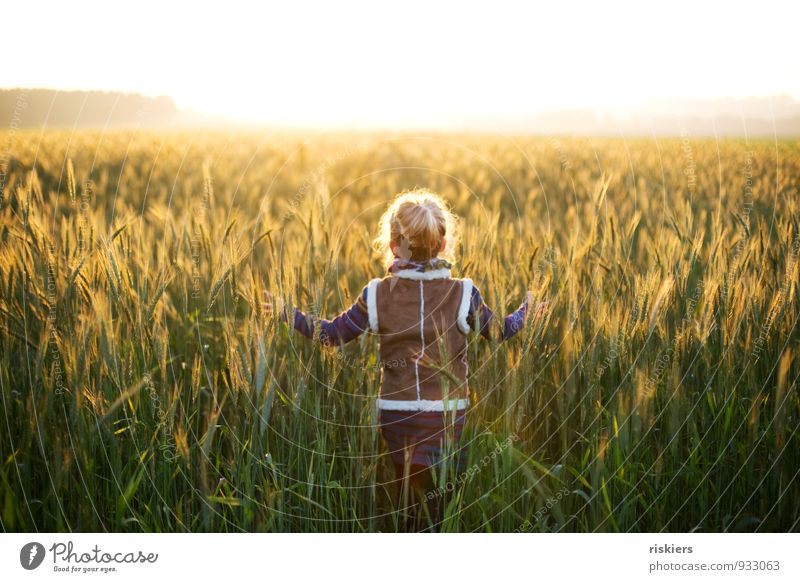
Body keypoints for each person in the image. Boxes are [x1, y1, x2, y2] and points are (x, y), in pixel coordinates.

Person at [264, 189, 544, 531]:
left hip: (396, 415)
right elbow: (502, 331)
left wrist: (287, 313)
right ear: (442, 246)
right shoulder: (464, 293)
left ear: (394, 245)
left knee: (405, 500)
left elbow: (331, 335)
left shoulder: (377, 294)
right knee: (439, 505)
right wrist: (529, 309)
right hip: (446, 415)